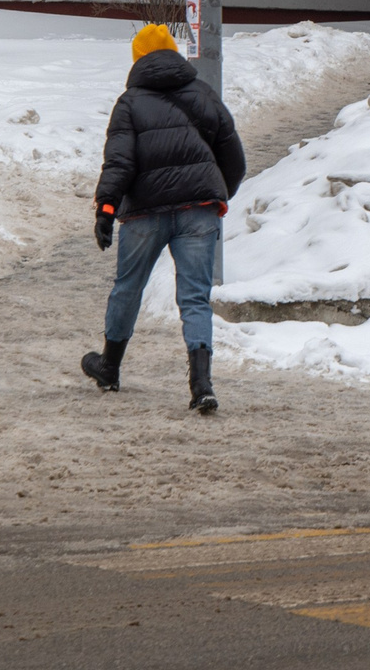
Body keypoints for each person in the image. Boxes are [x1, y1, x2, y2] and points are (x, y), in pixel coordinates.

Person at [80, 23, 246, 413]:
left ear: (138, 59)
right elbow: (233, 156)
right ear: (173, 53)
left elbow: (119, 162)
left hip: (145, 214)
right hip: (199, 212)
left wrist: (106, 209)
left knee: (127, 288)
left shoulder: (129, 103)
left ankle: (109, 367)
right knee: (195, 299)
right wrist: (215, 194)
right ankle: (202, 385)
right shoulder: (203, 94)